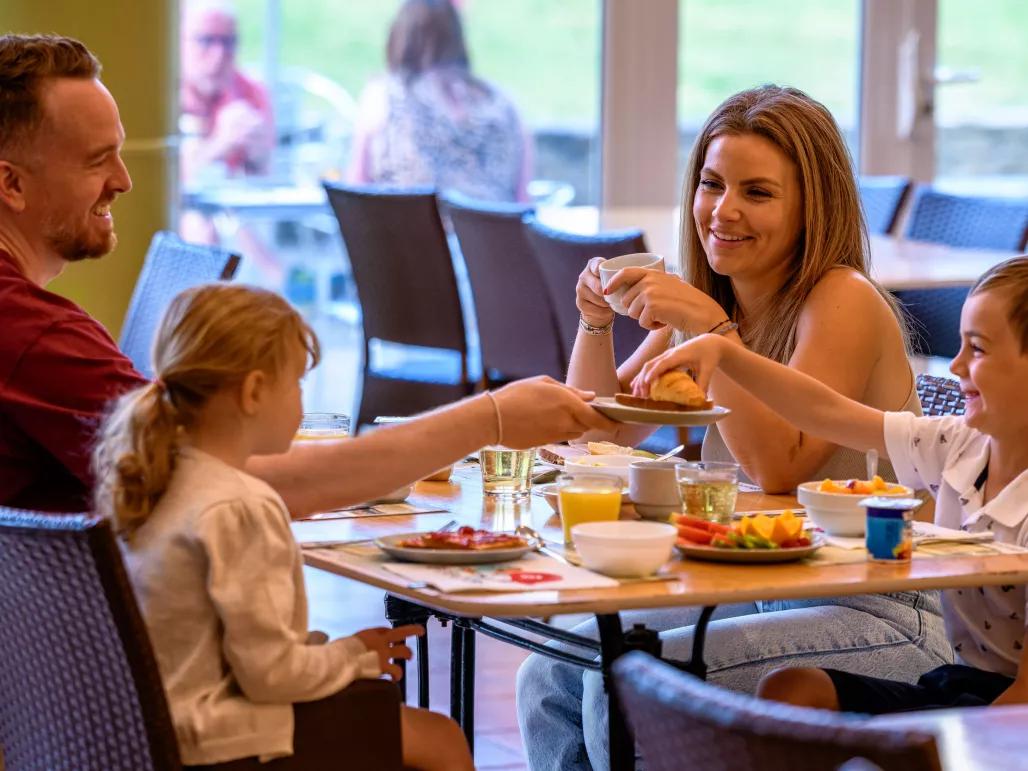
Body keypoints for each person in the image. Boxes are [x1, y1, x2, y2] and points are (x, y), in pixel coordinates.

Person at [516, 86, 950, 771]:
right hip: (759, 585)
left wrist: (712, 333)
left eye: (758, 192)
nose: (724, 210)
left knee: (615, 682)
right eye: (712, 184)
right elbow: (590, 434)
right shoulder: (712, 304)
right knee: (553, 669)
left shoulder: (839, 299)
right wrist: (596, 321)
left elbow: (781, 468)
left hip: (884, 607)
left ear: (813, 205)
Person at [0, 32, 615, 515]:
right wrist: (491, 418)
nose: (124, 180)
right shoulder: (31, 335)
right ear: (11, 184)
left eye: (120, 152)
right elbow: (228, 486)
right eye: (97, 160)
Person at [92, 282, 473, 769]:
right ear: (253, 391)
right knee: (440, 739)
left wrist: (343, 655)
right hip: (217, 741)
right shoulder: (239, 505)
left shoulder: (156, 480)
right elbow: (271, 675)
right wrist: (353, 655)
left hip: (151, 726)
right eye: (296, 383)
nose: (299, 399)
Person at [636, 255, 1028, 714]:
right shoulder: (958, 444)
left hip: (1011, 705)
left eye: (977, 349)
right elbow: (824, 411)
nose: (956, 365)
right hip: (963, 681)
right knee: (793, 690)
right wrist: (727, 353)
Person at [347, 0, 531, 202]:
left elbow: (356, 194)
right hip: (490, 233)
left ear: (400, 36)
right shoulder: (502, 104)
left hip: (408, 232)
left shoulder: (386, 96)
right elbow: (522, 204)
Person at [179, 0, 274, 188]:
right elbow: (161, 187)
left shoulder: (251, 94)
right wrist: (220, 144)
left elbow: (267, 183)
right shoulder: (160, 96)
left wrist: (260, 157)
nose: (219, 55)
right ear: (178, 42)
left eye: (228, 42)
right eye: (206, 41)